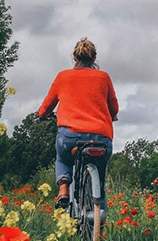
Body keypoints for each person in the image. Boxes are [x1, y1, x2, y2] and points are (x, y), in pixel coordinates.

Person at [37, 37, 119, 209]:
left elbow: (47, 105)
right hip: (101, 138)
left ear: (74, 57)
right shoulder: (104, 78)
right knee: (101, 187)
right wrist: (112, 116)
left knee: (63, 159)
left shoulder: (63, 77)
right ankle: (100, 231)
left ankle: (64, 188)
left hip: (70, 137)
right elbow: (114, 107)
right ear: (94, 59)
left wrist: (42, 114)